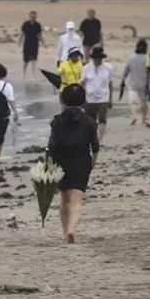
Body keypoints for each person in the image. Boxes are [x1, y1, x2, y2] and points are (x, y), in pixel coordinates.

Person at [47, 84, 100, 244]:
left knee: (64, 199)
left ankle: (64, 232)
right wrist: (92, 163)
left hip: (60, 161)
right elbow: (95, 147)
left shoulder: (57, 121)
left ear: (63, 100)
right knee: (77, 200)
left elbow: (51, 146)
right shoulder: (90, 122)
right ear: (83, 101)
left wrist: (49, 165)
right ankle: (71, 229)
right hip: (81, 161)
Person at [81, 46, 114, 142]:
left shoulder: (108, 68)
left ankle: (99, 139)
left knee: (102, 119)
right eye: (95, 59)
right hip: (89, 98)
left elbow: (110, 84)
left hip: (103, 98)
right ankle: (93, 138)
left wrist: (111, 99)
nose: (97, 61)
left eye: (99, 59)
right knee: (90, 121)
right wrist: (82, 97)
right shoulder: (86, 68)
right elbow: (82, 83)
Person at [122, 38, 150, 127]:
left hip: (133, 84)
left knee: (133, 102)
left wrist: (123, 79)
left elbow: (126, 70)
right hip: (145, 83)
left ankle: (134, 116)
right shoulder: (148, 58)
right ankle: (143, 118)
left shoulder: (131, 58)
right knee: (144, 102)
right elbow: (149, 70)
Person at [20, 10, 47, 83]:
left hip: (34, 44)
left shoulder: (37, 25)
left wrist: (44, 43)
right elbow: (22, 34)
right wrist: (19, 42)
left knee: (34, 60)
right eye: (32, 16)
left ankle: (33, 76)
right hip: (26, 44)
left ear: (36, 17)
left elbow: (39, 35)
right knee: (26, 60)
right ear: (29, 16)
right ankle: (23, 74)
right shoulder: (25, 24)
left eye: (34, 16)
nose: (33, 17)